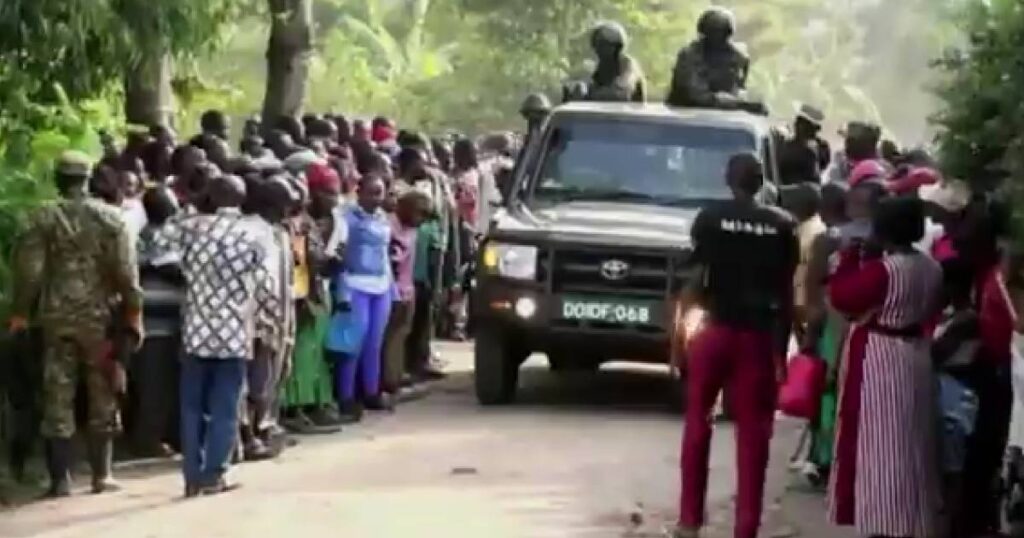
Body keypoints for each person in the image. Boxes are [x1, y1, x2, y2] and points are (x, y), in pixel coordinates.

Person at [675, 153, 797, 538]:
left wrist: (678, 340)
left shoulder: (708, 218)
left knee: (698, 421)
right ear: (762, 183)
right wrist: (781, 350)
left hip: (713, 331)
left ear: (728, 179)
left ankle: (690, 521)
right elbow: (785, 290)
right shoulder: (782, 225)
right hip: (757, 337)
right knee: (753, 435)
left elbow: (694, 280)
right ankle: (746, 528)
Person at [9, 151, 144, 497]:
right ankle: (102, 474)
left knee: (58, 393)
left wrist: (20, 312)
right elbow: (127, 273)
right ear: (88, 179)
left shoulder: (42, 219)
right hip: (101, 320)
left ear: (58, 179)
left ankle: (60, 480)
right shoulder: (111, 219)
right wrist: (133, 312)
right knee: (103, 391)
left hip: (56, 319)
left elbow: (30, 274)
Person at [151, 173, 282, 496]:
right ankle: (215, 473)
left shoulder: (191, 227)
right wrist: (271, 318)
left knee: (192, 405)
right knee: (224, 405)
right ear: (242, 198)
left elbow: (158, 252)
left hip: (195, 330)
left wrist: (190, 275)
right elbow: (268, 288)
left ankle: (191, 476)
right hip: (234, 331)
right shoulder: (256, 232)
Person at [827, 196, 943, 538]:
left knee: (878, 447)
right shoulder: (931, 267)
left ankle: (882, 521)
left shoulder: (885, 270)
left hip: (880, 358)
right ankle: (911, 520)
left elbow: (843, 297)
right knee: (912, 445)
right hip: (916, 357)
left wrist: (849, 258)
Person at [948, 197, 1016, 537]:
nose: (959, 237)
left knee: (987, 450)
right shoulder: (986, 272)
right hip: (991, 370)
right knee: (979, 449)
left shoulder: (1003, 276)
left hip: (1006, 374)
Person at [281, 164, 344, 432]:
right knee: (300, 357)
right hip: (303, 296)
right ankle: (293, 410)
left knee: (315, 355)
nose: (334, 199)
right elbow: (298, 265)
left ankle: (314, 405)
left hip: (316, 291)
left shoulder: (311, 223)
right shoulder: (295, 225)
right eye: (329, 193)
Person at [330, 175, 395, 420]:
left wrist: (392, 290)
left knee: (374, 344)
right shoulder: (346, 217)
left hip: (380, 286)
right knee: (352, 346)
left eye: (380, 193)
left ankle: (372, 392)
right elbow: (339, 254)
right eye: (371, 192)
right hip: (355, 284)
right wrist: (343, 290)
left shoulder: (382, 218)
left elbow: (384, 255)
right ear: (359, 192)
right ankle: (346, 397)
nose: (376, 198)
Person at [798, 182, 849, 486]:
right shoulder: (862, 237)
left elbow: (814, 292)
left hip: (831, 327)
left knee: (826, 392)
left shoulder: (825, 241)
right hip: (856, 327)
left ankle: (824, 457)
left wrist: (808, 333)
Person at [131, 186, 184, 458]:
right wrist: (156, 267)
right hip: (153, 323)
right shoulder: (141, 237)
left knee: (170, 384)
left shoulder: (173, 235)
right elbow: (136, 268)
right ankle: (149, 439)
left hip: (174, 320)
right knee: (154, 384)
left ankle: (171, 435)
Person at [381, 189, 432, 397]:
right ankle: (387, 381)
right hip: (389, 290)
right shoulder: (388, 226)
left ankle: (396, 376)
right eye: (420, 214)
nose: (422, 220)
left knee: (401, 336)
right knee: (389, 338)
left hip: (407, 288)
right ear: (404, 207)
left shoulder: (411, 229)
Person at [666, 7, 755, 111]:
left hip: (725, 116)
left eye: (721, 32)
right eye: (712, 32)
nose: (716, 37)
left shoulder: (738, 57)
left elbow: (739, 87)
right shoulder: (690, 55)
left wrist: (742, 101)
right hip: (685, 112)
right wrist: (729, 102)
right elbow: (694, 94)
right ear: (704, 33)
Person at [585, 21, 646, 103]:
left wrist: (593, 95)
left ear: (616, 47)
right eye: (596, 45)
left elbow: (621, 94)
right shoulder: (603, 67)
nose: (597, 50)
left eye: (602, 45)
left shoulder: (628, 66)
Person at [779, 104, 830, 185]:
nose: (796, 125)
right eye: (797, 122)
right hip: (793, 189)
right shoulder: (787, 146)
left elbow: (822, 165)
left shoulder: (821, 146)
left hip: (810, 189)